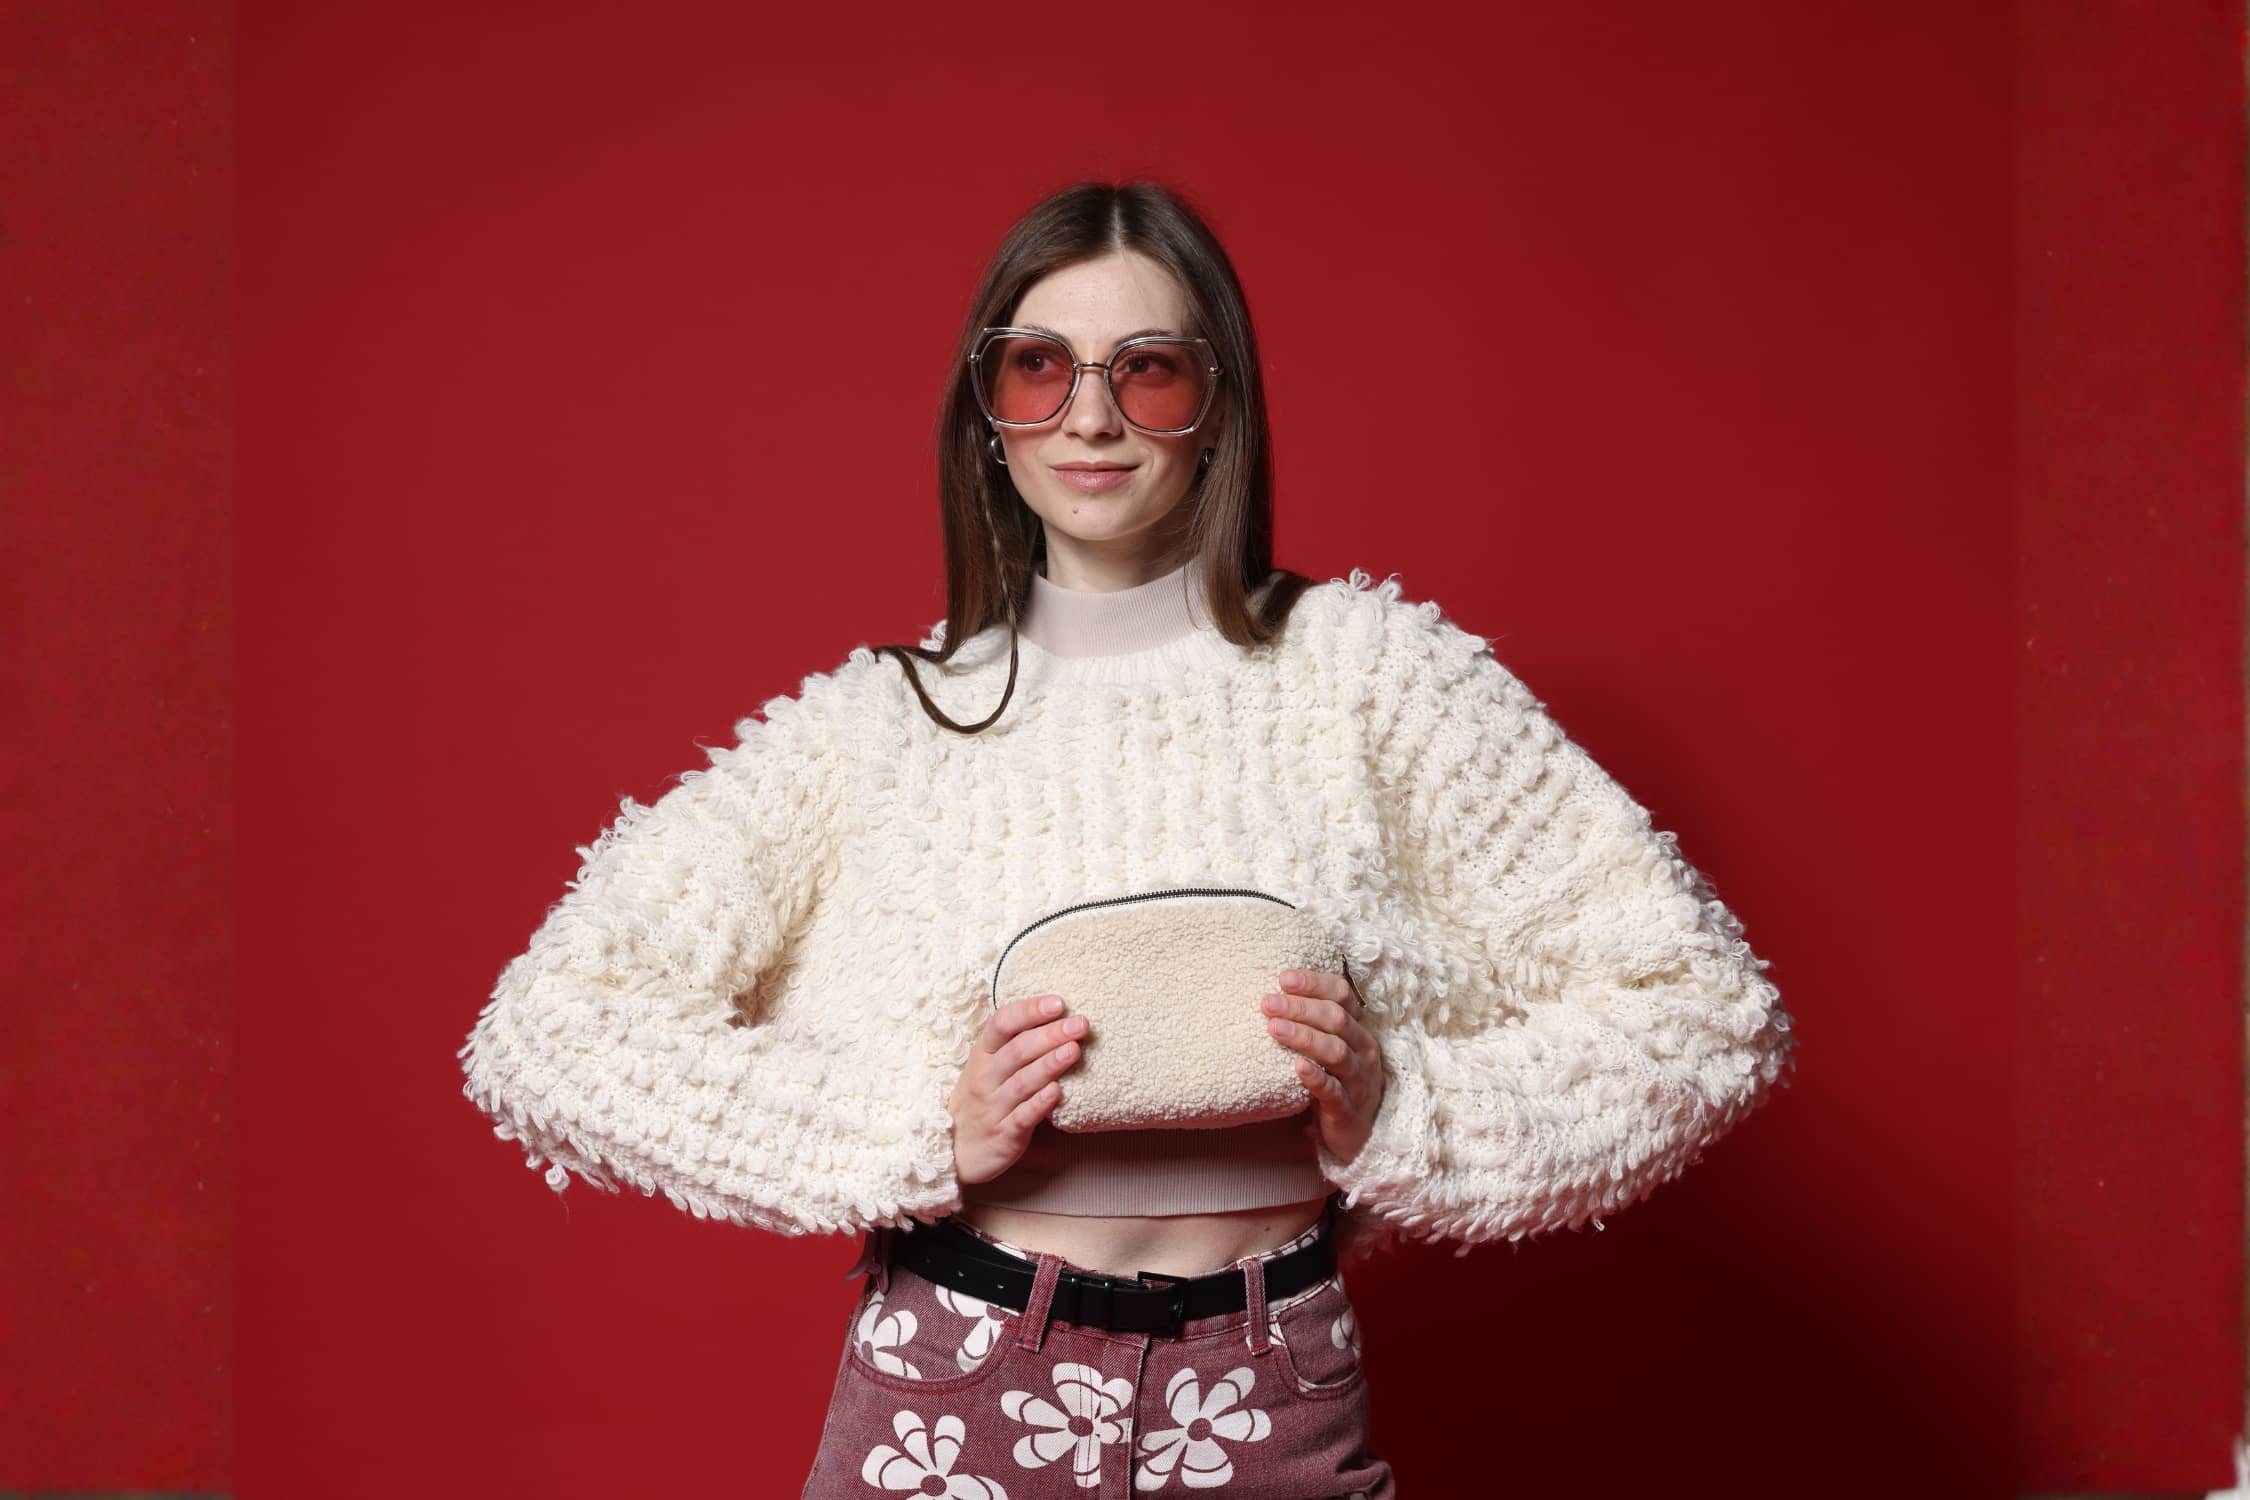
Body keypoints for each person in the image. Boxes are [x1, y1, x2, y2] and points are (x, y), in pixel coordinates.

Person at [457, 180, 1800, 1499]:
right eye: (1037, 368)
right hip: (951, 1382)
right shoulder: (876, 724)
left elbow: (1698, 1012)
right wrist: (913, 1128)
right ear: (987, 413)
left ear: (1217, 408)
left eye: (1147, 371)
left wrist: (1408, 1110)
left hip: (1267, 1381)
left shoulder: (1376, 679)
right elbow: (554, 1029)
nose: (1089, 418)